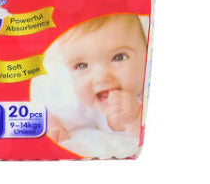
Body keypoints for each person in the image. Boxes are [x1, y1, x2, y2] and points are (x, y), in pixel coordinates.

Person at [48, 14, 147, 142]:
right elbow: (50, 114)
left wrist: (136, 117)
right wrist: (54, 128)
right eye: (81, 65)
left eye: (118, 57)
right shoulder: (86, 107)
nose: (101, 78)